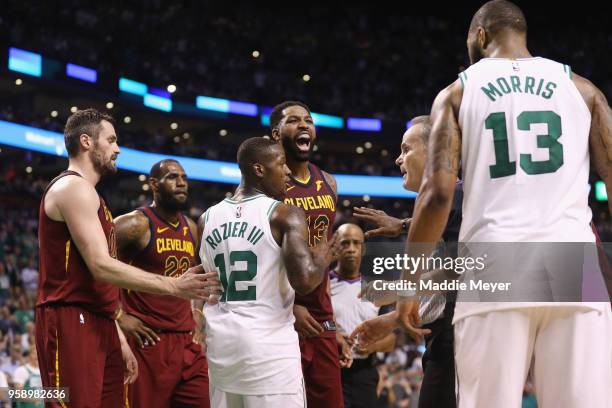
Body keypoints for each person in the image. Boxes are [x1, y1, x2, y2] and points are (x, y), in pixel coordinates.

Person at [368, 1, 612, 407]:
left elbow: (438, 194)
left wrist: (409, 283)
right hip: (576, 265)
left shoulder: (458, 92)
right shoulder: (583, 89)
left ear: (481, 36)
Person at [36, 109, 218, 407]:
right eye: (111, 140)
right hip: (69, 317)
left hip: (99, 319)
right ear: (86, 142)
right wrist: (174, 286)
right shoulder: (72, 187)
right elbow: (100, 265)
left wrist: (117, 334)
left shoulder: (92, 195)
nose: (117, 148)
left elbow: (100, 280)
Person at [200, 137, 335, 408]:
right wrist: (323, 257)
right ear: (259, 170)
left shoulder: (206, 218)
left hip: (221, 349)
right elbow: (306, 282)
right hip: (269, 353)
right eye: (281, 163)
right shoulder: (284, 214)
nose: (287, 171)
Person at [353, 116, 460, 408]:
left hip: (460, 339)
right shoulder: (443, 202)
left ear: (433, 151)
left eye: (406, 149)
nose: (399, 159)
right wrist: (393, 319)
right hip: (445, 337)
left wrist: (398, 294)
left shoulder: (456, 195)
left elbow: (467, 271)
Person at [270, 101, 348, 408]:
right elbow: (264, 256)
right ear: (275, 134)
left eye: (308, 120)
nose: (304, 125)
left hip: (320, 316)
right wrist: (290, 307)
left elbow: (323, 252)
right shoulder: (268, 186)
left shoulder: (328, 181)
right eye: (293, 121)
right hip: (279, 315)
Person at [115, 159, 210, 408]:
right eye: (172, 177)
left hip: (186, 344)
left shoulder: (191, 228)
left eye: (184, 178)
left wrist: (198, 311)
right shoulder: (135, 224)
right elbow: (92, 264)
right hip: (147, 342)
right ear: (154, 184)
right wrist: (118, 315)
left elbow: (199, 276)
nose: (181, 183)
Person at [330, 223, 396, 408]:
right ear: (335, 246)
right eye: (345, 243)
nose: (351, 249)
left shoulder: (376, 289)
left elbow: (391, 340)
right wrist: (332, 336)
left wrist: (372, 346)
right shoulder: (323, 285)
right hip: (330, 370)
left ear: (363, 248)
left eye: (356, 243)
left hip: (364, 373)